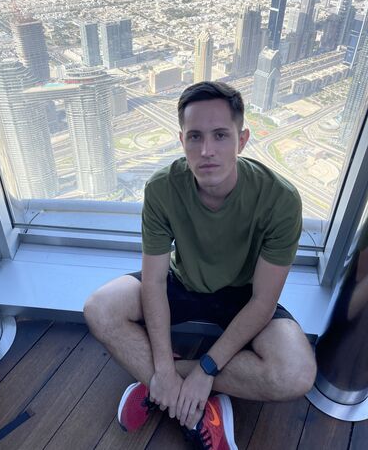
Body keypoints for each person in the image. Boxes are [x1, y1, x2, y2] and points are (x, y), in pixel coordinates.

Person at [84, 81, 317, 450]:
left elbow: (263, 301)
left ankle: (162, 387)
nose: (207, 150)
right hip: (182, 282)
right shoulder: (162, 188)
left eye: (220, 135)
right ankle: (189, 403)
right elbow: (154, 282)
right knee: (99, 309)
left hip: (243, 295)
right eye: (195, 137)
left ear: (242, 140)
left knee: (297, 373)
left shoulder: (280, 199)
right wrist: (162, 366)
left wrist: (205, 370)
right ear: (182, 141)